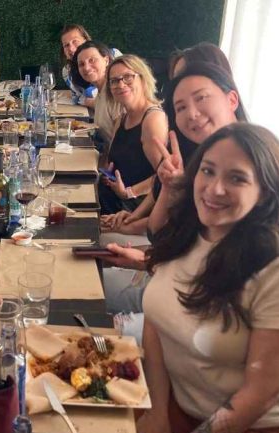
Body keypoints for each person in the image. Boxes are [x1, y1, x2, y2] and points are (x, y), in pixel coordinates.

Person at [137, 123, 279, 433]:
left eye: (237, 178)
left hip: (258, 423)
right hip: (183, 403)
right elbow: (155, 321)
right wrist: (155, 411)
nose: (215, 188)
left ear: (265, 193)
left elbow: (261, 394)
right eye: (207, 171)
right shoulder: (189, 231)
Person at [101, 63, 248, 314]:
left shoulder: (249, 163)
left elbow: (215, 273)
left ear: (231, 99)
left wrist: (148, 261)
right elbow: (159, 233)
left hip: (198, 311)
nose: (191, 114)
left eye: (201, 98)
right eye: (181, 107)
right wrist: (169, 188)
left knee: (84, 294)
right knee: (75, 275)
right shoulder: (199, 159)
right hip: (167, 283)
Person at [99, 54, 168, 216]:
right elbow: (112, 160)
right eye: (114, 81)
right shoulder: (122, 118)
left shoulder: (152, 119)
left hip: (136, 209)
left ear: (143, 80)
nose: (121, 84)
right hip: (112, 198)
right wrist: (108, 173)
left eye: (128, 77)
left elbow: (163, 175)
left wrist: (129, 192)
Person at [70, 40, 120, 148]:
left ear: (106, 60)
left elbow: (119, 142)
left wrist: (103, 162)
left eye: (92, 60)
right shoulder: (101, 91)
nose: (87, 68)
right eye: (81, 64)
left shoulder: (115, 92)